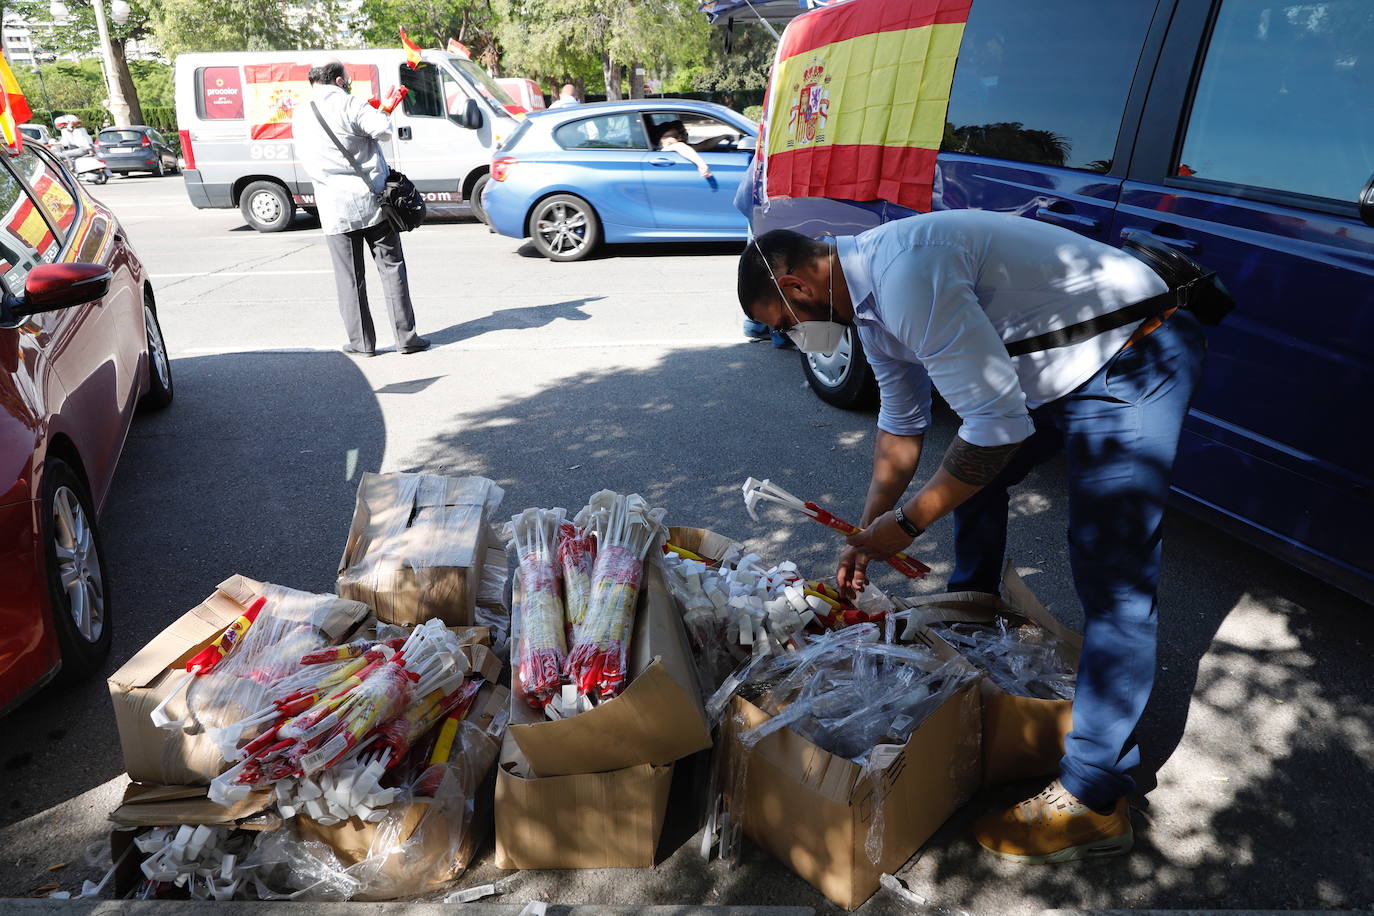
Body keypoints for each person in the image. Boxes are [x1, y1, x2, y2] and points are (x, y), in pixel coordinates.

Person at [737, 208, 1207, 864]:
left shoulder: (904, 276)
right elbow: (901, 422)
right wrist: (866, 531)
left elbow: (995, 429)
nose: (792, 338)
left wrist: (907, 525)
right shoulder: (864, 300)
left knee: (1112, 568)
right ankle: (972, 620)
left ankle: (1096, 796)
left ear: (797, 287)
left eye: (785, 325)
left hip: (1133, 347)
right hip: (1058, 356)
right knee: (971, 481)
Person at [292, 59, 429, 356]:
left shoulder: (300, 114)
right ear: (339, 80)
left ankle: (362, 344)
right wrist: (383, 111)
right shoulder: (350, 104)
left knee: (349, 280)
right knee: (392, 269)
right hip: (374, 204)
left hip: (333, 209)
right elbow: (383, 130)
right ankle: (406, 339)